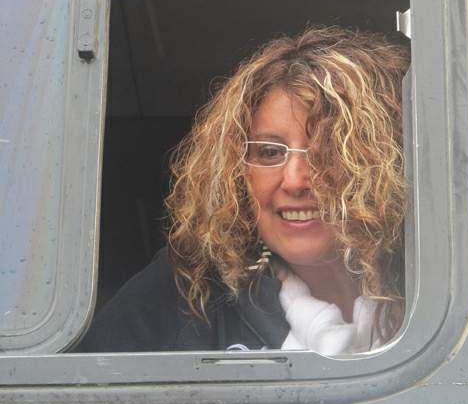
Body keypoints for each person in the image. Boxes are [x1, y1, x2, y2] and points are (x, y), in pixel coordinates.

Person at [77, 26, 409, 354]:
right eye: (270, 152)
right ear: (237, 172)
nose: (295, 180)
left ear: (387, 163)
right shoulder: (186, 291)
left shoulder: (435, 292)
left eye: (329, 151)